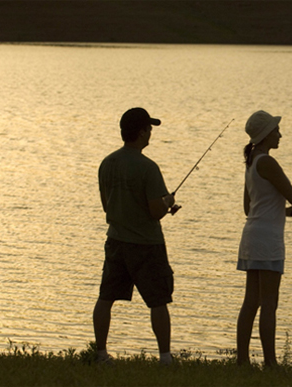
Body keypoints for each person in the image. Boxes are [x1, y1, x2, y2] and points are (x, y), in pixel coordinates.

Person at [94, 107, 180, 365]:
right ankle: (165, 358)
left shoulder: (107, 163)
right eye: (149, 128)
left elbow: (106, 205)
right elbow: (155, 211)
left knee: (106, 298)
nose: (150, 132)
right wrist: (167, 203)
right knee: (158, 301)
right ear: (141, 132)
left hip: (116, 242)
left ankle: (100, 354)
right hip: (146, 244)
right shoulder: (148, 167)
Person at [236, 110, 292, 367]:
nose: (280, 133)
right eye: (276, 130)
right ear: (265, 134)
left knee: (251, 302)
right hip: (268, 241)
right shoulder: (267, 163)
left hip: (251, 237)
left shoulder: (251, 163)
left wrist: (287, 212)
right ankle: (270, 362)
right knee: (269, 303)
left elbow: (251, 209)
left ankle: (242, 360)